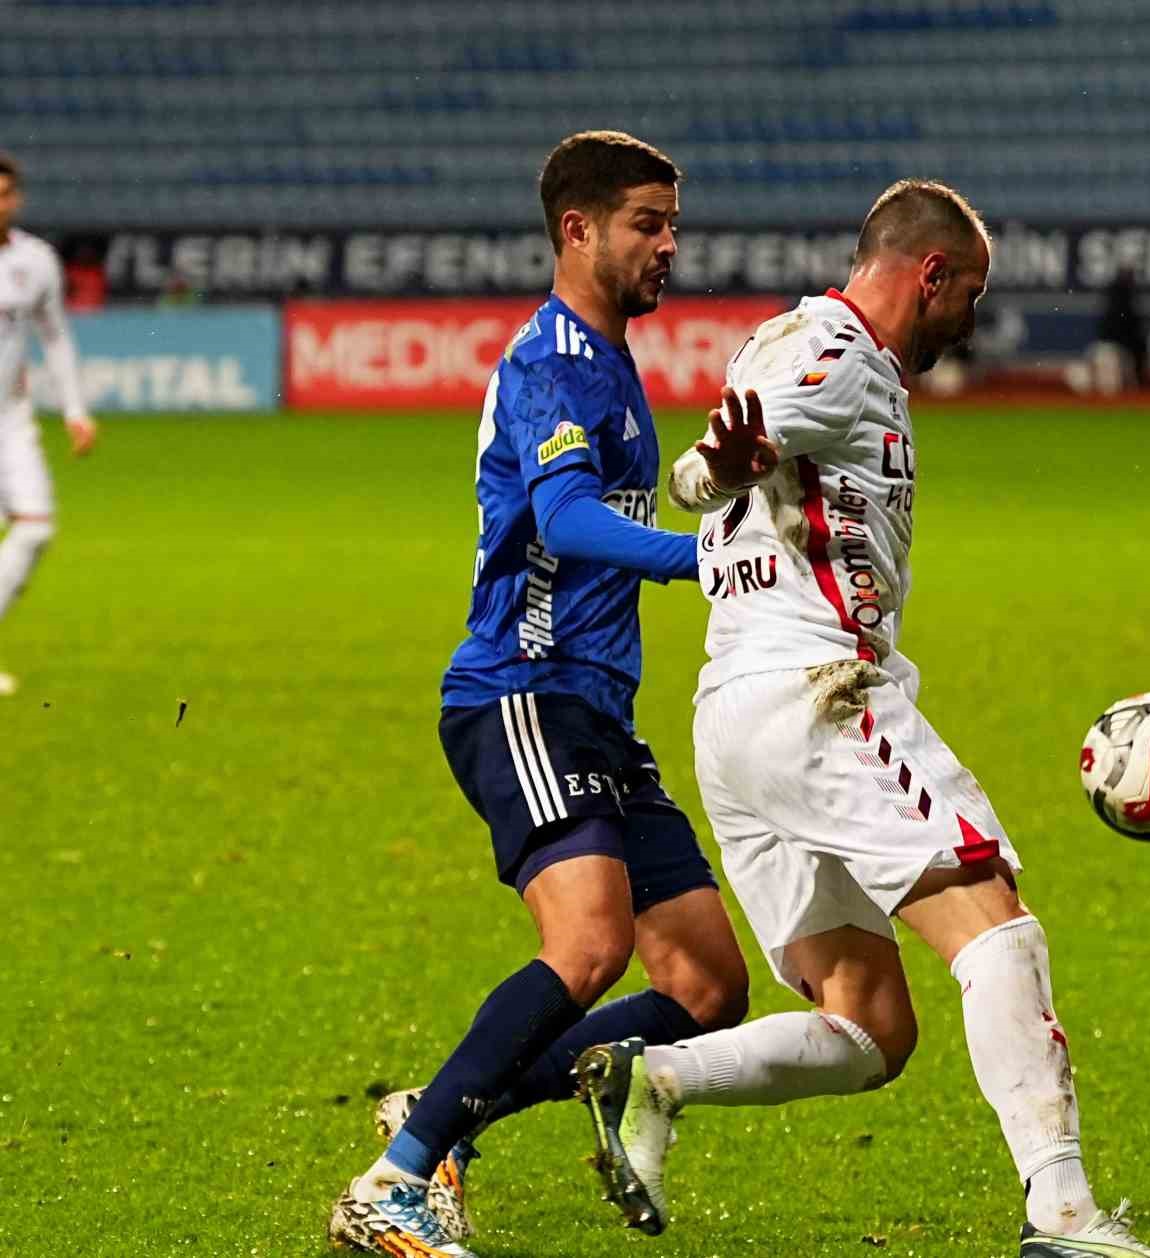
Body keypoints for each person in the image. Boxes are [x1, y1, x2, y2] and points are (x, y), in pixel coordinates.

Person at [573, 180, 1150, 1258]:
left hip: (734, 719)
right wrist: (730, 458)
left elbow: (707, 463)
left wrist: (714, 465)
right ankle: (1064, 1215)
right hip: (819, 696)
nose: (970, 318)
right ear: (930, 274)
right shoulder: (841, 355)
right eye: (970, 294)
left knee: (870, 1024)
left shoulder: (790, 342)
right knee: (998, 929)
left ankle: (657, 1075)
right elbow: (748, 439)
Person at [327, 131, 750, 1258]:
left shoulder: (606, 362)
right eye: (647, 224)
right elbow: (562, 521)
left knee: (706, 986)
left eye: (672, 224)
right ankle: (394, 1184)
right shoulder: (553, 360)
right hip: (520, 688)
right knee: (591, 942)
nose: (669, 246)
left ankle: (439, 1112)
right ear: (578, 229)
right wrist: (701, 555)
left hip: (592, 708)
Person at [0, 152, 98, 697]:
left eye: (3, 193)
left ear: (16, 199)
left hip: (9, 421)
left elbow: (55, 336)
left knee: (35, 527)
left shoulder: (35, 261)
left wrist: (75, 409)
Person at [1096, 263, 1149, 387]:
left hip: (1119, 338)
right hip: (1116, 338)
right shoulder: (1120, 293)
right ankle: (1137, 381)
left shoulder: (1125, 292)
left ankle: (1137, 381)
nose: (1130, 278)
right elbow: (1123, 319)